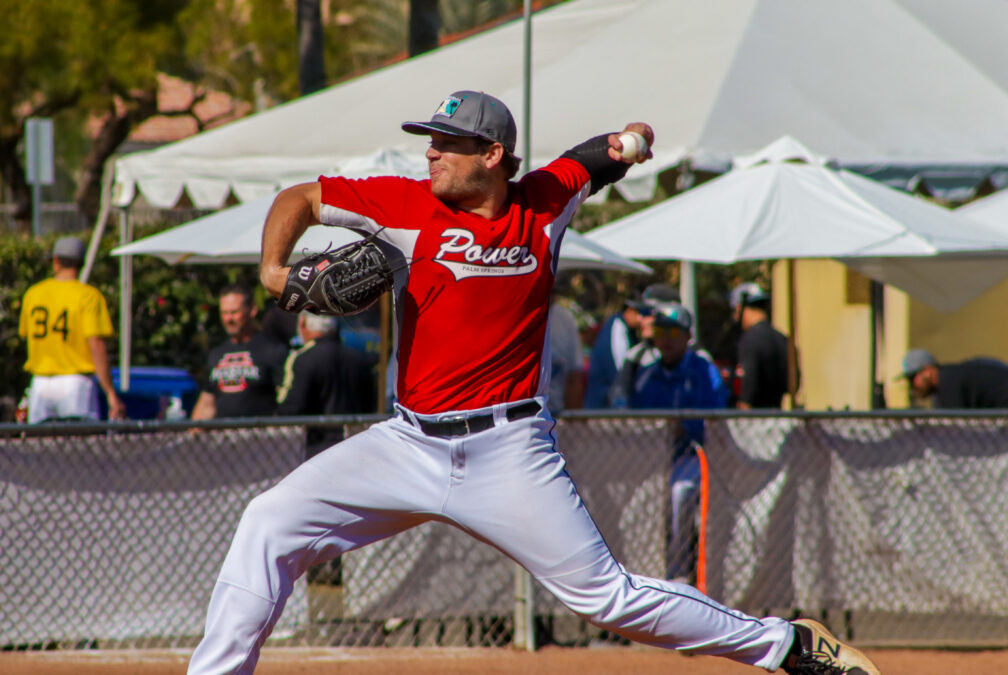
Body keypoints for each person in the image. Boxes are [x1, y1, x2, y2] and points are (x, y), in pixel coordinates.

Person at [188, 90, 879, 675]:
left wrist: (634, 141)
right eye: (430, 140)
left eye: (447, 143)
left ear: (492, 156)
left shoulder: (545, 200)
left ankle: (788, 645)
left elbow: (598, 156)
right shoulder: (403, 205)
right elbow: (301, 197)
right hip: (406, 443)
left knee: (609, 599)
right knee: (268, 522)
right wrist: (275, 271)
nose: (431, 152)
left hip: (508, 449)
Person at [623, 303, 728, 582]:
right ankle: (641, 573)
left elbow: (717, 418)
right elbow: (635, 419)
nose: (666, 339)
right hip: (653, 460)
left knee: (680, 493)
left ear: (687, 337)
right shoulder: (647, 374)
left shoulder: (703, 371)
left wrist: (685, 427)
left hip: (694, 457)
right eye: (660, 331)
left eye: (673, 331)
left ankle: (678, 572)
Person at [18, 236, 125, 423]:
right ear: (81, 264)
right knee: (78, 447)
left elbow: (26, 336)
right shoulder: (88, 296)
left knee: (39, 448)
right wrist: (110, 392)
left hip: (40, 384)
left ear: (56, 261)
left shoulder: (33, 294)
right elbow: (96, 346)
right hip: (76, 385)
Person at [276, 311, 377, 456]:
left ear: (303, 323)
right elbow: (370, 404)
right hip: (356, 444)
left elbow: (292, 408)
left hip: (318, 446)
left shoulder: (302, 358)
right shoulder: (358, 358)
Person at [190, 284, 288, 420]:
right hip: (222, 436)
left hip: (259, 436)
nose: (228, 319)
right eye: (224, 313)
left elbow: (285, 400)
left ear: (252, 310)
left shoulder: (272, 349)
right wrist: (195, 433)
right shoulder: (216, 354)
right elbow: (207, 403)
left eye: (234, 312)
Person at [610, 282, 682, 406]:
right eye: (640, 312)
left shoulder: (697, 357)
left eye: (647, 313)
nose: (640, 319)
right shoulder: (636, 356)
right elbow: (618, 397)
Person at [730, 282, 792, 409]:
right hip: (780, 419)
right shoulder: (783, 339)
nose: (735, 317)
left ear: (742, 308)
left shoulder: (750, 341)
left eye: (735, 311)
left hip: (756, 421)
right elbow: (793, 386)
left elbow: (748, 389)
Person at [584, 292, 642, 408]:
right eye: (640, 313)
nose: (642, 319)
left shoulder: (628, 330)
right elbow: (621, 371)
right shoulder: (617, 328)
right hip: (603, 407)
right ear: (630, 311)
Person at [898, 348, 1008, 408]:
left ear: (928, 371)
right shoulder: (949, 376)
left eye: (913, 378)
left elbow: (955, 428)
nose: (912, 385)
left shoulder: (946, 384)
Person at [546, 295, 585, 416]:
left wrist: (574, 420)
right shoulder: (516, 313)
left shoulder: (564, 318)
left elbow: (574, 375)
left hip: (556, 413)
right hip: (523, 415)